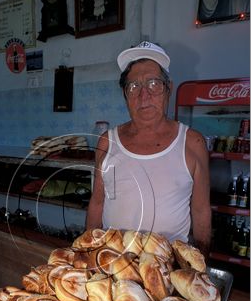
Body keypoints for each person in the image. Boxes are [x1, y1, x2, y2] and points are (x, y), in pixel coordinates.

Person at [86, 41, 211, 257]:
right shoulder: (107, 142)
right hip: (113, 266)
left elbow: (201, 212)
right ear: (125, 96)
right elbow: (97, 203)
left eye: (154, 84)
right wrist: (87, 253)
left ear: (168, 89)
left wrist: (200, 268)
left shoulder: (192, 143)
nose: (144, 96)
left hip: (167, 271)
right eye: (134, 87)